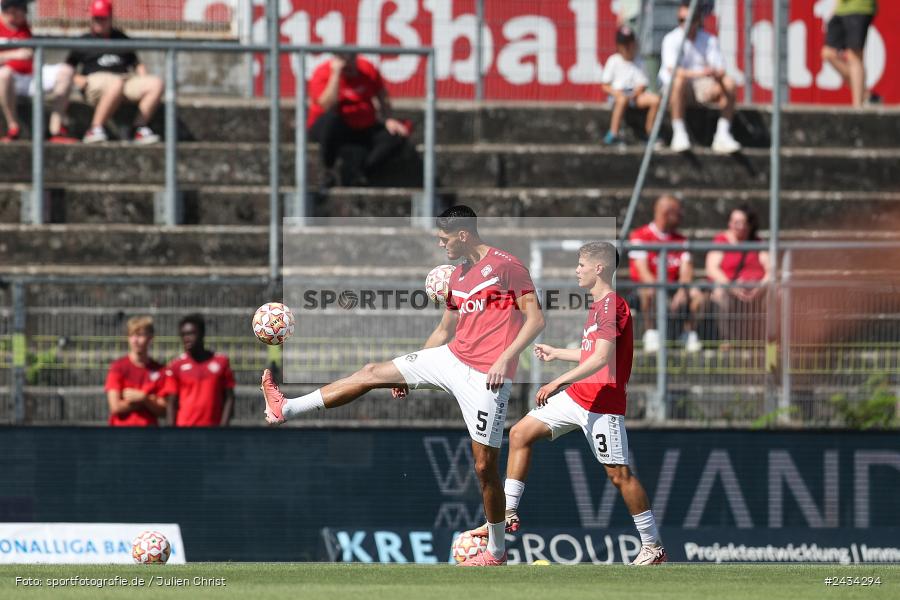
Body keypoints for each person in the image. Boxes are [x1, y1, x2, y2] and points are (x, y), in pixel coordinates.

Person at [260, 205, 545, 566]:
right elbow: (444, 330)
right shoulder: (459, 274)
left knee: (485, 466)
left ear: (463, 234)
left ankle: (497, 552)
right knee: (372, 372)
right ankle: (285, 408)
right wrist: (411, 376)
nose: (441, 245)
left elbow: (535, 320)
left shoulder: (507, 266)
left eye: (444, 239)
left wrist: (507, 357)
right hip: (452, 358)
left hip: (488, 375)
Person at [463, 242, 667, 565]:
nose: (577, 270)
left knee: (620, 475)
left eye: (581, 264)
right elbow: (592, 351)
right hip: (578, 396)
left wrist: (558, 379)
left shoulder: (612, 305)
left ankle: (653, 546)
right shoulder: (598, 305)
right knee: (520, 434)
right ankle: (510, 510)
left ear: (598, 268)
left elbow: (602, 359)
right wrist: (558, 353)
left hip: (603, 403)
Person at [307, 52, 411, 188]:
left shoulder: (367, 69)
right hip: (335, 128)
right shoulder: (323, 73)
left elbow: (383, 97)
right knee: (330, 121)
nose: (348, 66)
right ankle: (328, 169)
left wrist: (388, 119)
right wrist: (336, 75)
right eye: (344, 62)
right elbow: (327, 106)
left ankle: (362, 172)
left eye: (351, 61)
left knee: (396, 135)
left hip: (362, 127)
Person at [65, 0, 163, 144]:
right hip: (96, 80)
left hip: (124, 80)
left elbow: (136, 64)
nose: (99, 22)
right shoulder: (83, 40)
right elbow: (67, 68)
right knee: (116, 83)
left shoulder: (121, 38)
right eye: (96, 18)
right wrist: (78, 80)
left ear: (111, 17)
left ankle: (139, 128)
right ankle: (95, 128)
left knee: (156, 83)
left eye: (103, 18)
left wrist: (143, 77)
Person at [658, 0, 741, 154]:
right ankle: (679, 133)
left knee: (729, 83)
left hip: (703, 86)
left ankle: (723, 134)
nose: (684, 24)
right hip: (677, 89)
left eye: (688, 20)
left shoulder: (709, 40)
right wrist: (702, 73)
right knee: (679, 81)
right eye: (681, 20)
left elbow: (720, 68)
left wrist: (715, 75)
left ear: (698, 20)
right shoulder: (671, 39)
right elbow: (673, 71)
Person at [629, 194, 704, 353]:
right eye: (678, 212)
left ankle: (687, 333)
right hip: (649, 287)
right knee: (647, 289)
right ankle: (651, 333)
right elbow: (643, 272)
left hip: (674, 287)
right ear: (666, 212)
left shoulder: (681, 240)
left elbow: (686, 270)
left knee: (697, 294)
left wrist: (682, 290)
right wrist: (660, 289)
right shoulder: (639, 236)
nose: (681, 216)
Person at [0, 0, 75, 142]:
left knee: (66, 71)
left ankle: (55, 129)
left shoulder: (23, 27)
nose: (25, 14)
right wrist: (13, 55)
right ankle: (13, 126)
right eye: (22, 10)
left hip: (31, 76)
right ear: (10, 11)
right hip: (9, 81)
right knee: (4, 74)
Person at [705, 205, 770, 343]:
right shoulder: (721, 241)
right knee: (719, 292)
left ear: (750, 224)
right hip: (729, 290)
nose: (739, 226)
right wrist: (732, 286)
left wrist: (760, 287)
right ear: (729, 223)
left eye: (743, 222)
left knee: (777, 291)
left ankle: (772, 340)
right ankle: (726, 340)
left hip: (757, 291)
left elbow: (771, 271)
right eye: (735, 222)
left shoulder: (759, 243)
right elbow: (712, 269)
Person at [164, 314, 236, 427]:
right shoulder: (176, 366)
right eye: (183, 335)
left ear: (202, 333)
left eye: (191, 333)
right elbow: (171, 403)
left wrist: (223, 428)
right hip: (184, 430)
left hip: (213, 429)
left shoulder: (221, 362)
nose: (186, 338)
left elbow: (229, 397)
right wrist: (171, 433)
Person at [601, 26, 660, 146]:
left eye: (630, 43)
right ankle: (613, 133)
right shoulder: (613, 60)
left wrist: (634, 94)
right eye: (624, 44)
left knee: (656, 100)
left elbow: (642, 84)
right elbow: (605, 85)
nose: (627, 47)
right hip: (618, 94)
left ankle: (650, 133)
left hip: (634, 95)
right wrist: (617, 93)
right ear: (618, 46)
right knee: (622, 99)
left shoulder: (640, 61)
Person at [104, 316, 169, 426]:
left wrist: (143, 398)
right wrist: (149, 400)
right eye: (132, 335)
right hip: (121, 434)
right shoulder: (118, 367)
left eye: (140, 335)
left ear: (151, 337)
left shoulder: (160, 370)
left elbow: (164, 410)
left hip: (149, 435)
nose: (135, 340)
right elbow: (115, 407)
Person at [821, 0, 878, 107]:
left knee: (854, 56)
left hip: (859, 7)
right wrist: (834, 9)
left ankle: (857, 107)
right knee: (828, 53)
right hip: (841, 9)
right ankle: (866, 94)